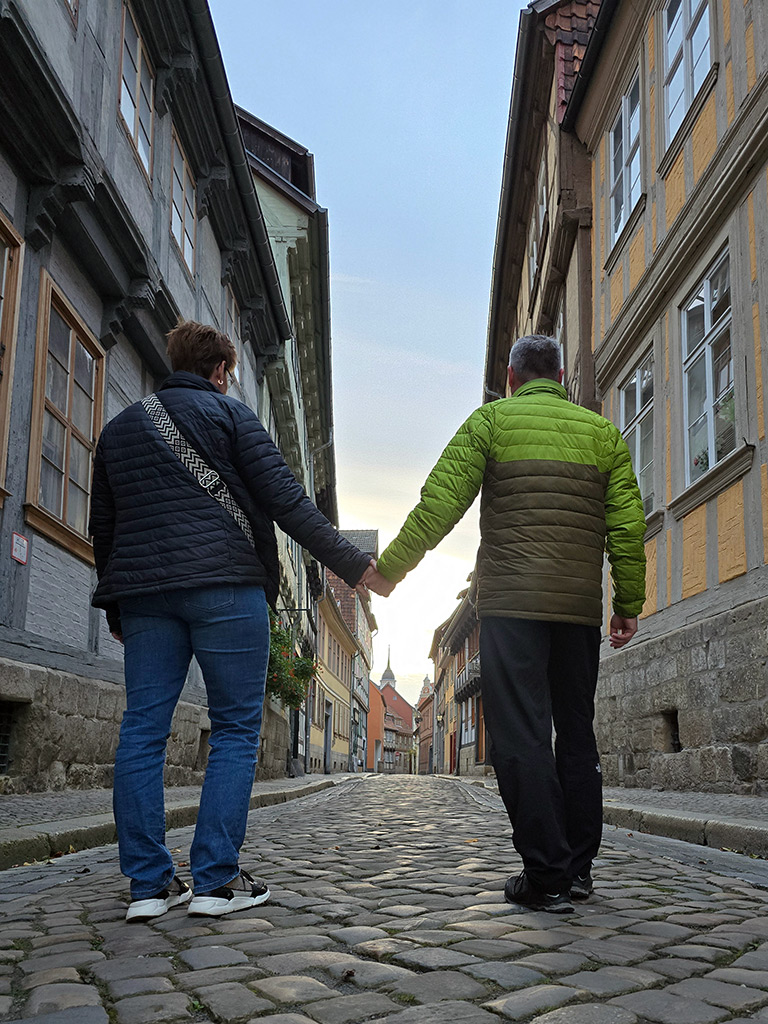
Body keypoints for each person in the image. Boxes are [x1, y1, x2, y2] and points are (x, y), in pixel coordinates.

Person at [89, 320, 374, 922]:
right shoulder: (235, 418)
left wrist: (115, 605)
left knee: (141, 732)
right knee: (237, 731)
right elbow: (289, 502)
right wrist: (355, 567)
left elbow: (105, 530)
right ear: (220, 371)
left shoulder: (118, 430)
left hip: (145, 598)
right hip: (227, 588)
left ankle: (148, 887)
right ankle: (215, 881)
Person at [372, 335, 646, 913]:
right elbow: (626, 524)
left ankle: (545, 872)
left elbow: (439, 504)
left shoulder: (489, 423)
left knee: (520, 735)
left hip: (510, 607)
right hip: (576, 611)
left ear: (511, 375)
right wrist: (627, 602)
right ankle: (576, 870)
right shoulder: (602, 436)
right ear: (564, 375)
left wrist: (392, 568)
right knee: (576, 732)